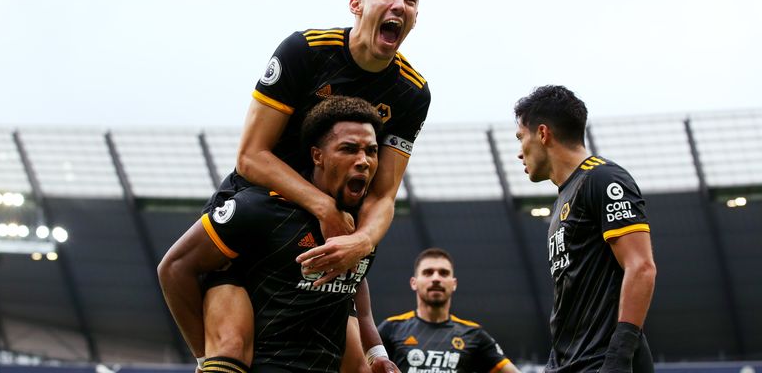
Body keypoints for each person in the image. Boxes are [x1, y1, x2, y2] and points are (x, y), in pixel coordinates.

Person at [159, 0, 430, 370]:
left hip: (323, 232)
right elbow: (251, 156)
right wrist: (323, 207)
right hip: (259, 216)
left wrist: (361, 241)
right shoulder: (306, 51)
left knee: (358, 364)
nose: (399, 5)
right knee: (229, 351)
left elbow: (383, 195)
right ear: (357, 4)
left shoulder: (412, 93)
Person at [159, 96, 398, 372]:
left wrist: (376, 355)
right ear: (317, 156)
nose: (364, 161)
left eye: (371, 151)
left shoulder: (365, 226)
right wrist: (204, 357)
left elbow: (355, 282)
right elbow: (175, 268)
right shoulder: (260, 208)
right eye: (349, 149)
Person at [514, 85, 657, 372]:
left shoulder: (603, 178)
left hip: (601, 364)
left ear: (543, 134)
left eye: (520, 138)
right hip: (568, 364)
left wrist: (618, 359)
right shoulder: (563, 199)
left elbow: (641, 267)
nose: (519, 152)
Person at [377, 248, 521, 373]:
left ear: (454, 284)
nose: (436, 278)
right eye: (428, 273)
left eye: (444, 273)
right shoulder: (391, 328)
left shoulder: (473, 334)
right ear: (414, 283)